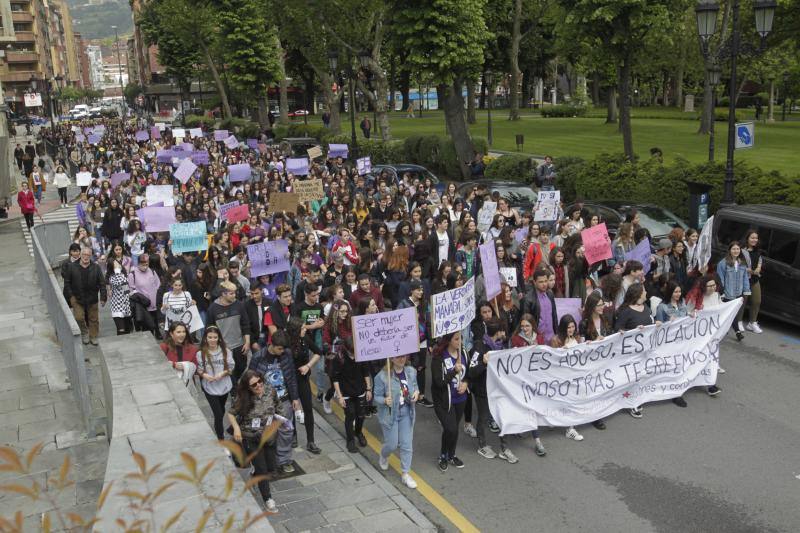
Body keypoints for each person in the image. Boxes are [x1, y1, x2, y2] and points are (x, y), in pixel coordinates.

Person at [227, 369, 283, 512]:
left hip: (269, 437)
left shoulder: (270, 391)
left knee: (272, 468)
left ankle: (253, 472)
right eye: (254, 385)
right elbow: (231, 414)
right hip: (251, 439)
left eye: (260, 381)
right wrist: (237, 429)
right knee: (262, 470)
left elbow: (278, 408)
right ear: (248, 388)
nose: (258, 386)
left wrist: (280, 423)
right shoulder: (243, 399)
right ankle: (268, 499)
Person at [248, 330, 300, 473]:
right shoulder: (258, 357)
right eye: (280, 348)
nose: (282, 351)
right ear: (272, 344)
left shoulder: (287, 354)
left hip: (284, 400)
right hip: (265, 402)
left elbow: (291, 377)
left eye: (284, 349)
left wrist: (295, 398)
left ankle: (284, 460)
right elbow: (250, 379)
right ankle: (266, 461)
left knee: (286, 431)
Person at [469, 318, 519, 464]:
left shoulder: (502, 345)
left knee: (504, 417)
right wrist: (483, 363)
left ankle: (505, 448)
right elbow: (472, 371)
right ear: (498, 332)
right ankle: (482, 445)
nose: (504, 333)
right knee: (483, 417)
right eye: (502, 330)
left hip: (499, 388)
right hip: (483, 390)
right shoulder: (479, 346)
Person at [373, 353, 419, 489]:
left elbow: (415, 386)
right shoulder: (382, 376)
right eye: (398, 356)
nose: (402, 359)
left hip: (406, 412)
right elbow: (376, 396)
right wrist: (384, 400)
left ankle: (405, 473)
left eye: (404, 356)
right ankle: (383, 454)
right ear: (391, 358)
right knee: (392, 445)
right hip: (390, 415)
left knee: (406, 444)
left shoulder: (411, 372)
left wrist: (416, 392)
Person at [615, 284, 656, 418]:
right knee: (632, 378)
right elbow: (618, 330)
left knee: (641, 377)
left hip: (645, 351)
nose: (646, 292)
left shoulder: (647, 308)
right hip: (631, 354)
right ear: (638, 294)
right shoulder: (626, 311)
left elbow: (652, 324)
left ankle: (638, 397)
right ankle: (632, 404)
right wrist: (632, 332)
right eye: (644, 291)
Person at [431, 331, 468, 472]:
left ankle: (451, 455)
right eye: (456, 339)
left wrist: (466, 383)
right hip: (444, 400)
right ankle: (443, 455)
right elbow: (438, 382)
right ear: (448, 340)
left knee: (454, 428)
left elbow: (468, 371)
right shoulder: (439, 357)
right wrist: (453, 371)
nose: (460, 342)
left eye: (461, 338)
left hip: (460, 398)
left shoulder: (463, 352)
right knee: (450, 428)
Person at [286, 318, 322, 454]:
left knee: (308, 409)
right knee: (290, 409)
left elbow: (318, 352)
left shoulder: (305, 339)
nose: (305, 329)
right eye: (302, 328)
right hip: (289, 380)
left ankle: (310, 441)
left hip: (302, 379)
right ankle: (293, 435)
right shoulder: (286, 343)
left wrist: (308, 366)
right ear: (295, 331)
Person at [207, 280, 251, 386]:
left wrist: (247, 342)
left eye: (234, 293)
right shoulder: (213, 309)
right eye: (231, 293)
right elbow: (210, 329)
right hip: (224, 347)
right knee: (229, 371)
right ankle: (234, 391)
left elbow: (245, 324)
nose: (234, 295)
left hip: (240, 345)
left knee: (241, 367)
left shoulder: (239, 305)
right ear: (223, 294)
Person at [332, 337, 372, 453]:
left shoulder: (361, 355)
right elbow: (335, 379)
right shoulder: (339, 358)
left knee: (361, 414)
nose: (354, 355)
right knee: (350, 415)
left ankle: (358, 432)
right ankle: (350, 440)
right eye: (352, 352)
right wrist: (339, 396)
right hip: (346, 392)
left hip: (360, 390)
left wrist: (368, 389)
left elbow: (366, 372)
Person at [198, 326, 235, 440]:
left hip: (223, 386)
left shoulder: (226, 351)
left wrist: (222, 374)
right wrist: (205, 375)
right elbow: (199, 369)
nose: (212, 340)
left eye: (215, 337)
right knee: (218, 414)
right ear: (205, 338)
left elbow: (231, 368)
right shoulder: (201, 353)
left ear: (219, 338)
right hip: (209, 387)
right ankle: (220, 438)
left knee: (222, 409)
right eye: (210, 337)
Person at [716, 241, 750, 341]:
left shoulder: (742, 263)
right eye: (733, 249)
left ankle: (724, 329)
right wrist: (721, 293)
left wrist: (746, 292)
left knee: (732, 313)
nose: (736, 251)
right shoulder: (723, 263)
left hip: (738, 293)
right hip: (727, 293)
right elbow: (720, 279)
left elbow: (745, 279)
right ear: (729, 250)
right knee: (731, 313)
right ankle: (737, 332)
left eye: (738, 249)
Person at [741, 230, 763, 334]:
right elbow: (737, 264)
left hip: (754, 279)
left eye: (756, 238)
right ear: (747, 238)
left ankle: (752, 323)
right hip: (744, 279)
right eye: (752, 238)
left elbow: (759, 260)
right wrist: (746, 270)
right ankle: (738, 321)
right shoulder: (742, 251)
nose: (754, 240)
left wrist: (758, 268)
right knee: (743, 301)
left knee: (756, 301)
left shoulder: (757, 251)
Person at [106, 257, 133, 335]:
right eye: (116, 265)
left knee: (127, 331)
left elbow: (126, 291)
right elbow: (119, 282)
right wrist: (117, 270)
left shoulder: (123, 275)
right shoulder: (112, 277)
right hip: (117, 308)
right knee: (121, 330)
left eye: (118, 264)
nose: (118, 265)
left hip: (126, 308)